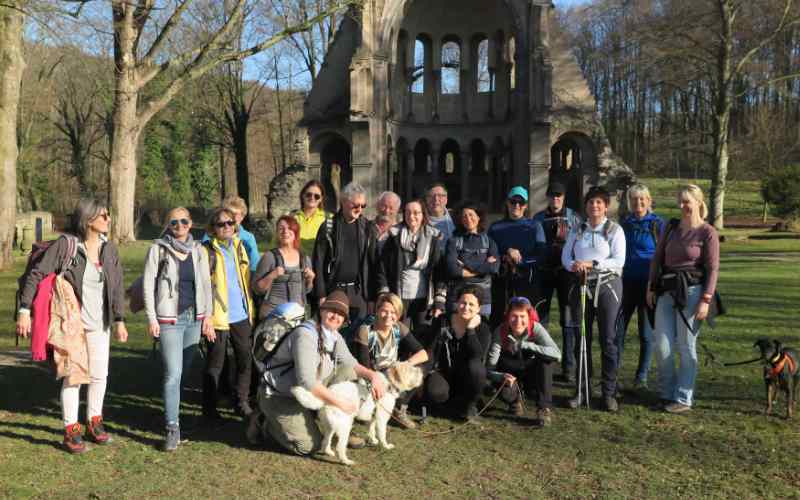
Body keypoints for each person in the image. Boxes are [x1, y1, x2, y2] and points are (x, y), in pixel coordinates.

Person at [16, 198, 128, 454]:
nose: (108, 220)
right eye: (103, 216)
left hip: (101, 325)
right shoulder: (67, 246)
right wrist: (24, 310)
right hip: (72, 325)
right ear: (89, 220)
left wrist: (119, 319)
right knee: (73, 376)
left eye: (108, 215)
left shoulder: (109, 249)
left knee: (100, 375)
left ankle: (94, 421)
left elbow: (118, 286)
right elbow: (36, 274)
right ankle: (71, 430)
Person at [253, 290, 387, 455]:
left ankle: (330, 422)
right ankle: (266, 423)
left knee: (347, 371)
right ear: (322, 310)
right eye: (332, 310)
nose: (336, 317)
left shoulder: (333, 335)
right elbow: (307, 381)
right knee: (309, 446)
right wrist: (340, 403)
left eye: (341, 314)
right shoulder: (306, 335)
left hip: (302, 393)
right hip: (280, 395)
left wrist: (373, 376)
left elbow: (351, 363)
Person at [143, 207, 215, 451]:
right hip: (169, 320)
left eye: (184, 221)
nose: (180, 226)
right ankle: (172, 428)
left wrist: (208, 316)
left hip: (195, 319)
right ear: (168, 225)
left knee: (183, 373)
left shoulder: (199, 251)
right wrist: (152, 319)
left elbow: (206, 284)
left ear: (191, 223)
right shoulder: (158, 249)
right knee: (172, 373)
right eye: (174, 222)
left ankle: (175, 417)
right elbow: (147, 284)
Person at [647, 184, 719, 414]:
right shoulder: (671, 227)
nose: (682, 206)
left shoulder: (707, 232)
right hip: (666, 290)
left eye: (687, 201)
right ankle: (667, 393)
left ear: (698, 202)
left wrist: (706, 300)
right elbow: (657, 258)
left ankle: (683, 397)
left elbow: (713, 268)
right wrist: (651, 286)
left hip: (693, 292)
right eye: (680, 201)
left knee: (686, 347)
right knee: (662, 346)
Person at [562, 186, 626, 412]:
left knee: (608, 340)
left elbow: (619, 260)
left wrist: (593, 264)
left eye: (599, 202)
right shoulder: (577, 229)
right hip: (581, 285)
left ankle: (609, 393)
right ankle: (582, 390)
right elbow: (565, 256)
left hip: (608, 286)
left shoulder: (614, 230)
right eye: (591, 202)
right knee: (582, 339)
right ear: (586, 206)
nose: (595, 206)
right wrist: (575, 265)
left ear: (606, 206)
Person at [203, 207, 256, 419]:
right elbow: (202, 286)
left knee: (245, 359)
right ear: (213, 229)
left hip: (241, 314)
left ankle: (241, 401)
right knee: (216, 365)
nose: (226, 227)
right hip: (217, 317)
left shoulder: (240, 246)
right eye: (220, 224)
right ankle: (209, 409)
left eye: (229, 223)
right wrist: (205, 316)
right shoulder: (205, 251)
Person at [353, 293, 429, 428]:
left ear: (399, 314)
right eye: (384, 311)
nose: (389, 316)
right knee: (364, 415)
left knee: (419, 369)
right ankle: (376, 408)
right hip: (369, 373)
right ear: (377, 311)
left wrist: (405, 365)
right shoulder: (365, 330)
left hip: (391, 372)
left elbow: (423, 354)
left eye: (393, 312)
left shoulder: (398, 327)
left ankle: (399, 409)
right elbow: (364, 364)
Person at [616, 184, 664, 390]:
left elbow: (663, 254)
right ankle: (613, 373)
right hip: (625, 283)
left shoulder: (658, 224)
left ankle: (641, 378)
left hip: (648, 285)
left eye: (642, 199)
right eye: (635, 199)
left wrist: (655, 284)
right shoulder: (624, 224)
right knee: (618, 332)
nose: (639, 203)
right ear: (629, 202)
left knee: (646, 335)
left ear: (649, 200)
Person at [533, 181, 581, 383]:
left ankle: (569, 367)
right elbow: (537, 245)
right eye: (553, 195)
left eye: (559, 195)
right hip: (545, 272)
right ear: (548, 197)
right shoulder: (538, 218)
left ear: (564, 197)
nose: (556, 199)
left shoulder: (574, 217)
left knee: (568, 321)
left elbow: (579, 242)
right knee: (541, 319)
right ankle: (542, 363)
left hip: (566, 274)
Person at [486, 297, 561, 425]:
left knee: (546, 361)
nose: (518, 321)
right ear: (508, 317)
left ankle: (544, 409)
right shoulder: (500, 331)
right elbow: (489, 370)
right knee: (504, 386)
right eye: (514, 316)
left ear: (529, 317)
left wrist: (525, 345)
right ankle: (514, 401)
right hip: (509, 375)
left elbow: (557, 354)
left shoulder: (536, 328)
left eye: (522, 316)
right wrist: (501, 377)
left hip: (530, 372)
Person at [422, 286, 492, 421]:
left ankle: (470, 407)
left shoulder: (483, 328)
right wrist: (421, 378)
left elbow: (477, 356)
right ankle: (450, 404)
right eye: (463, 302)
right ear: (457, 303)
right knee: (435, 392)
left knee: (476, 368)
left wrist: (470, 329)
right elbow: (430, 351)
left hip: (468, 377)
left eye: (471, 304)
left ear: (478, 308)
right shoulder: (442, 321)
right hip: (443, 372)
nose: (466, 307)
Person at [312, 182, 378, 321]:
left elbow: (372, 265)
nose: (359, 209)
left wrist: (371, 298)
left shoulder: (367, 228)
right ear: (343, 202)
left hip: (358, 291)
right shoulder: (328, 227)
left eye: (363, 205)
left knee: (359, 334)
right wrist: (321, 294)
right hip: (334, 290)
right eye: (355, 205)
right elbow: (318, 262)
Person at [377, 199, 445, 330]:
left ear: (423, 215)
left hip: (425, 299)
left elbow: (439, 271)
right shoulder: (393, 236)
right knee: (400, 338)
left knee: (422, 338)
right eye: (407, 213)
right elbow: (382, 268)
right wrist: (384, 295)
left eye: (416, 213)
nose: (411, 216)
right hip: (398, 298)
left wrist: (439, 301)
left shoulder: (433, 237)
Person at [487, 186, 541, 327]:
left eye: (521, 202)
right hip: (501, 282)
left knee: (525, 321)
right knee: (499, 320)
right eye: (513, 201)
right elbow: (489, 254)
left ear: (526, 205)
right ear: (507, 203)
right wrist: (507, 254)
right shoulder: (495, 227)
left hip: (527, 280)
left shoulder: (535, 226)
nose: (516, 205)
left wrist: (521, 260)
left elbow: (541, 255)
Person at [251, 216, 314, 320]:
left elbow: (306, 290)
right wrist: (272, 276)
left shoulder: (304, 258)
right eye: (281, 228)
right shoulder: (269, 257)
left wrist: (310, 279)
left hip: (297, 314)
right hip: (273, 314)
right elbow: (257, 289)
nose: (285, 231)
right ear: (276, 233)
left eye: (289, 228)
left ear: (295, 232)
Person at [444, 201, 499, 318]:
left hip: (483, 300)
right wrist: (483, 266)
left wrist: (465, 266)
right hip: (457, 298)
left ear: (479, 217)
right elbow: (452, 269)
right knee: (456, 333)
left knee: (481, 332)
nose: (468, 218)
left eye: (471, 215)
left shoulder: (489, 242)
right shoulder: (453, 241)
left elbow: (494, 268)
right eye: (464, 216)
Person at [293, 180, 333, 256]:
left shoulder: (330, 219)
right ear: (303, 195)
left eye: (316, 196)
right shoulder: (291, 217)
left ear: (321, 199)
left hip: (319, 264)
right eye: (308, 194)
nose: (312, 198)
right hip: (294, 263)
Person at [222, 195, 261, 272]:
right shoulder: (211, 234)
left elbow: (255, 266)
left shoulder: (248, 238)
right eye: (228, 213)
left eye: (235, 214)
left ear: (242, 217)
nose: (231, 218)